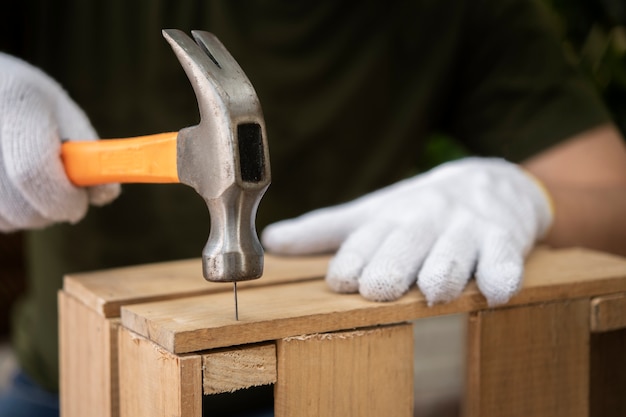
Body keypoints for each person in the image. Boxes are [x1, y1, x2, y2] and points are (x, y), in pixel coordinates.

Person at [1, 1, 626, 416]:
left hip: (330, 390)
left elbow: (611, 191)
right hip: (73, 387)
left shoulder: (459, 12)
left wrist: (523, 195)